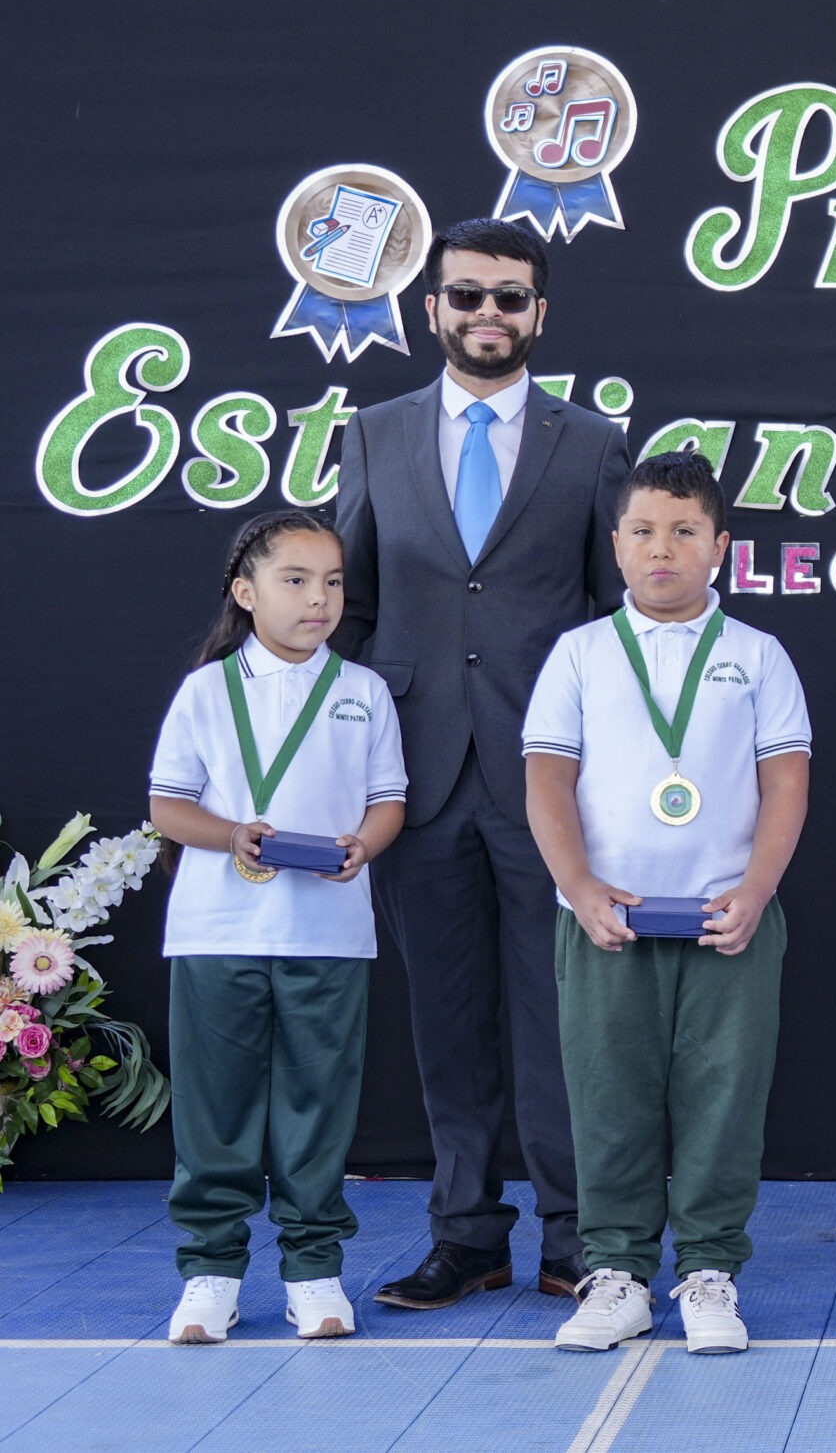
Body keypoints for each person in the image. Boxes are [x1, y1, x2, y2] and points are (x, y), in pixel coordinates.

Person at [334, 217, 629, 1309]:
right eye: (467, 297)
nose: (488, 315)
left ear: (539, 314)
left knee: (560, 1019)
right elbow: (353, 612)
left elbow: (616, 618)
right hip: (413, 780)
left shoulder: (592, 446)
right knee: (445, 1019)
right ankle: (464, 1233)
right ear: (433, 311)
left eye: (509, 297)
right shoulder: (373, 435)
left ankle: (574, 1232)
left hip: (552, 783)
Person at [522, 452, 813, 1357]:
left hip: (730, 924)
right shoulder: (579, 653)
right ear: (616, 544)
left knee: (725, 1098)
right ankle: (614, 1272)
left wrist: (757, 890)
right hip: (606, 925)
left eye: (686, 531)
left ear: (719, 546)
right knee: (609, 1099)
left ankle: (709, 1271)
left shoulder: (758, 655)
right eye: (644, 530)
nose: (663, 548)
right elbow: (547, 782)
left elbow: (787, 783)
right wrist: (580, 888)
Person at [147, 511, 407, 1345]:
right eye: (295, 580)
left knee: (317, 1104)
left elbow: (387, 800)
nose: (318, 598)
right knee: (215, 1109)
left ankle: (313, 1269)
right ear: (245, 591)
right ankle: (211, 1274)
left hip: (328, 931)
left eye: (332, 581)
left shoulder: (363, 691)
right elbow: (167, 805)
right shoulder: (207, 689)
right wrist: (231, 836)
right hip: (217, 927)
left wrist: (362, 845)